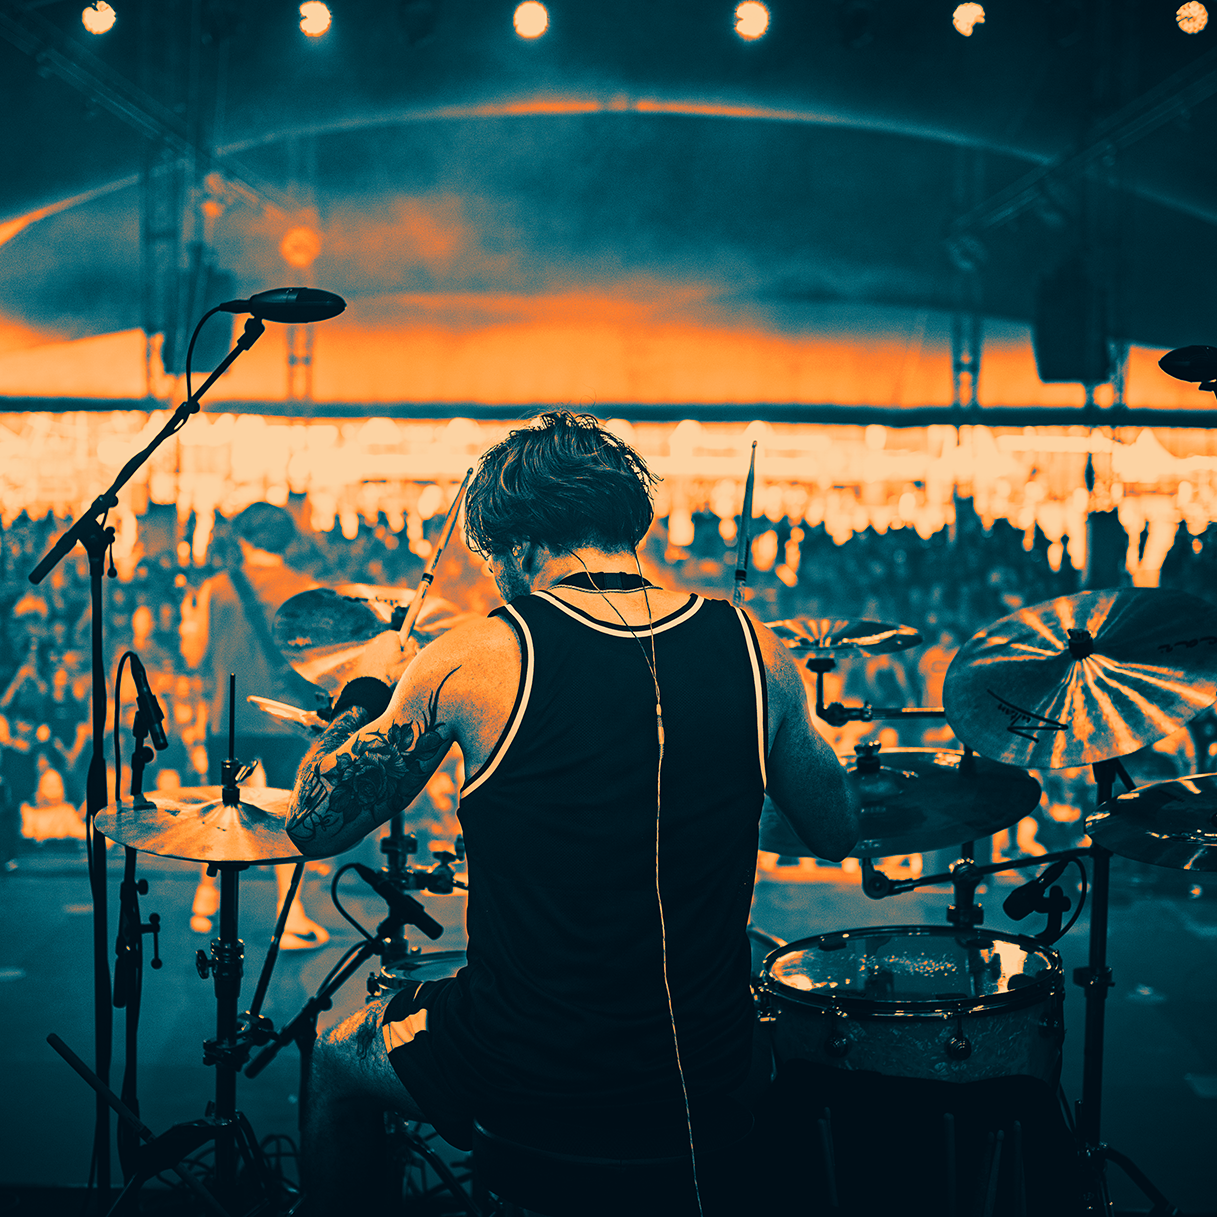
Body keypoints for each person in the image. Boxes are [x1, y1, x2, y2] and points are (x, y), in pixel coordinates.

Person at [286, 412, 858, 1214]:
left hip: (531, 1070)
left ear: (516, 548)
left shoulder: (470, 654)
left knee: (337, 1054)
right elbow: (835, 829)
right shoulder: (755, 647)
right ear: (629, 519)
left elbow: (315, 824)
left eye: (492, 563)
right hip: (712, 1071)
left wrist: (367, 686)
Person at [181, 501, 331, 948]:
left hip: (229, 719)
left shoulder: (216, 589)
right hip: (290, 722)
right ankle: (291, 916)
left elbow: (193, 656)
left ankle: (206, 903)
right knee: (289, 813)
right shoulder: (307, 590)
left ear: (242, 538)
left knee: (223, 812)